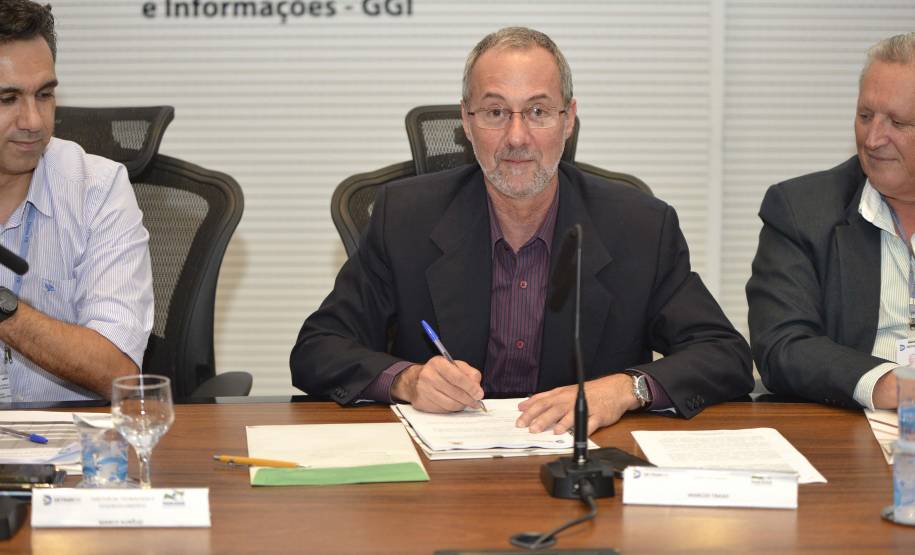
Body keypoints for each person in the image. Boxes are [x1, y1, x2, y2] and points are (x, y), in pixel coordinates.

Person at [291, 27, 752, 434]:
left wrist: (626, 389)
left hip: (580, 459)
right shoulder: (405, 217)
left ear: (568, 120)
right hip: (443, 473)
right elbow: (318, 349)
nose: (515, 137)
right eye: (494, 112)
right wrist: (407, 381)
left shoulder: (639, 226)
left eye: (537, 112)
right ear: (466, 123)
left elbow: (724, 354)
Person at [746, 33, 915, 410]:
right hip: (855, 429)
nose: (872, 139)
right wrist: (888, 385)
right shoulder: (801, 210)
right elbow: (782, 346)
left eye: (898, 123)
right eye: (865, 116)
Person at [0, 1, 153, 402]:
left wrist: (4, 309)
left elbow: (118, 373)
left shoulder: (97, 189)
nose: (33, 121)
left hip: (68, 449)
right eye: (7, 99)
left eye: (45, 95)